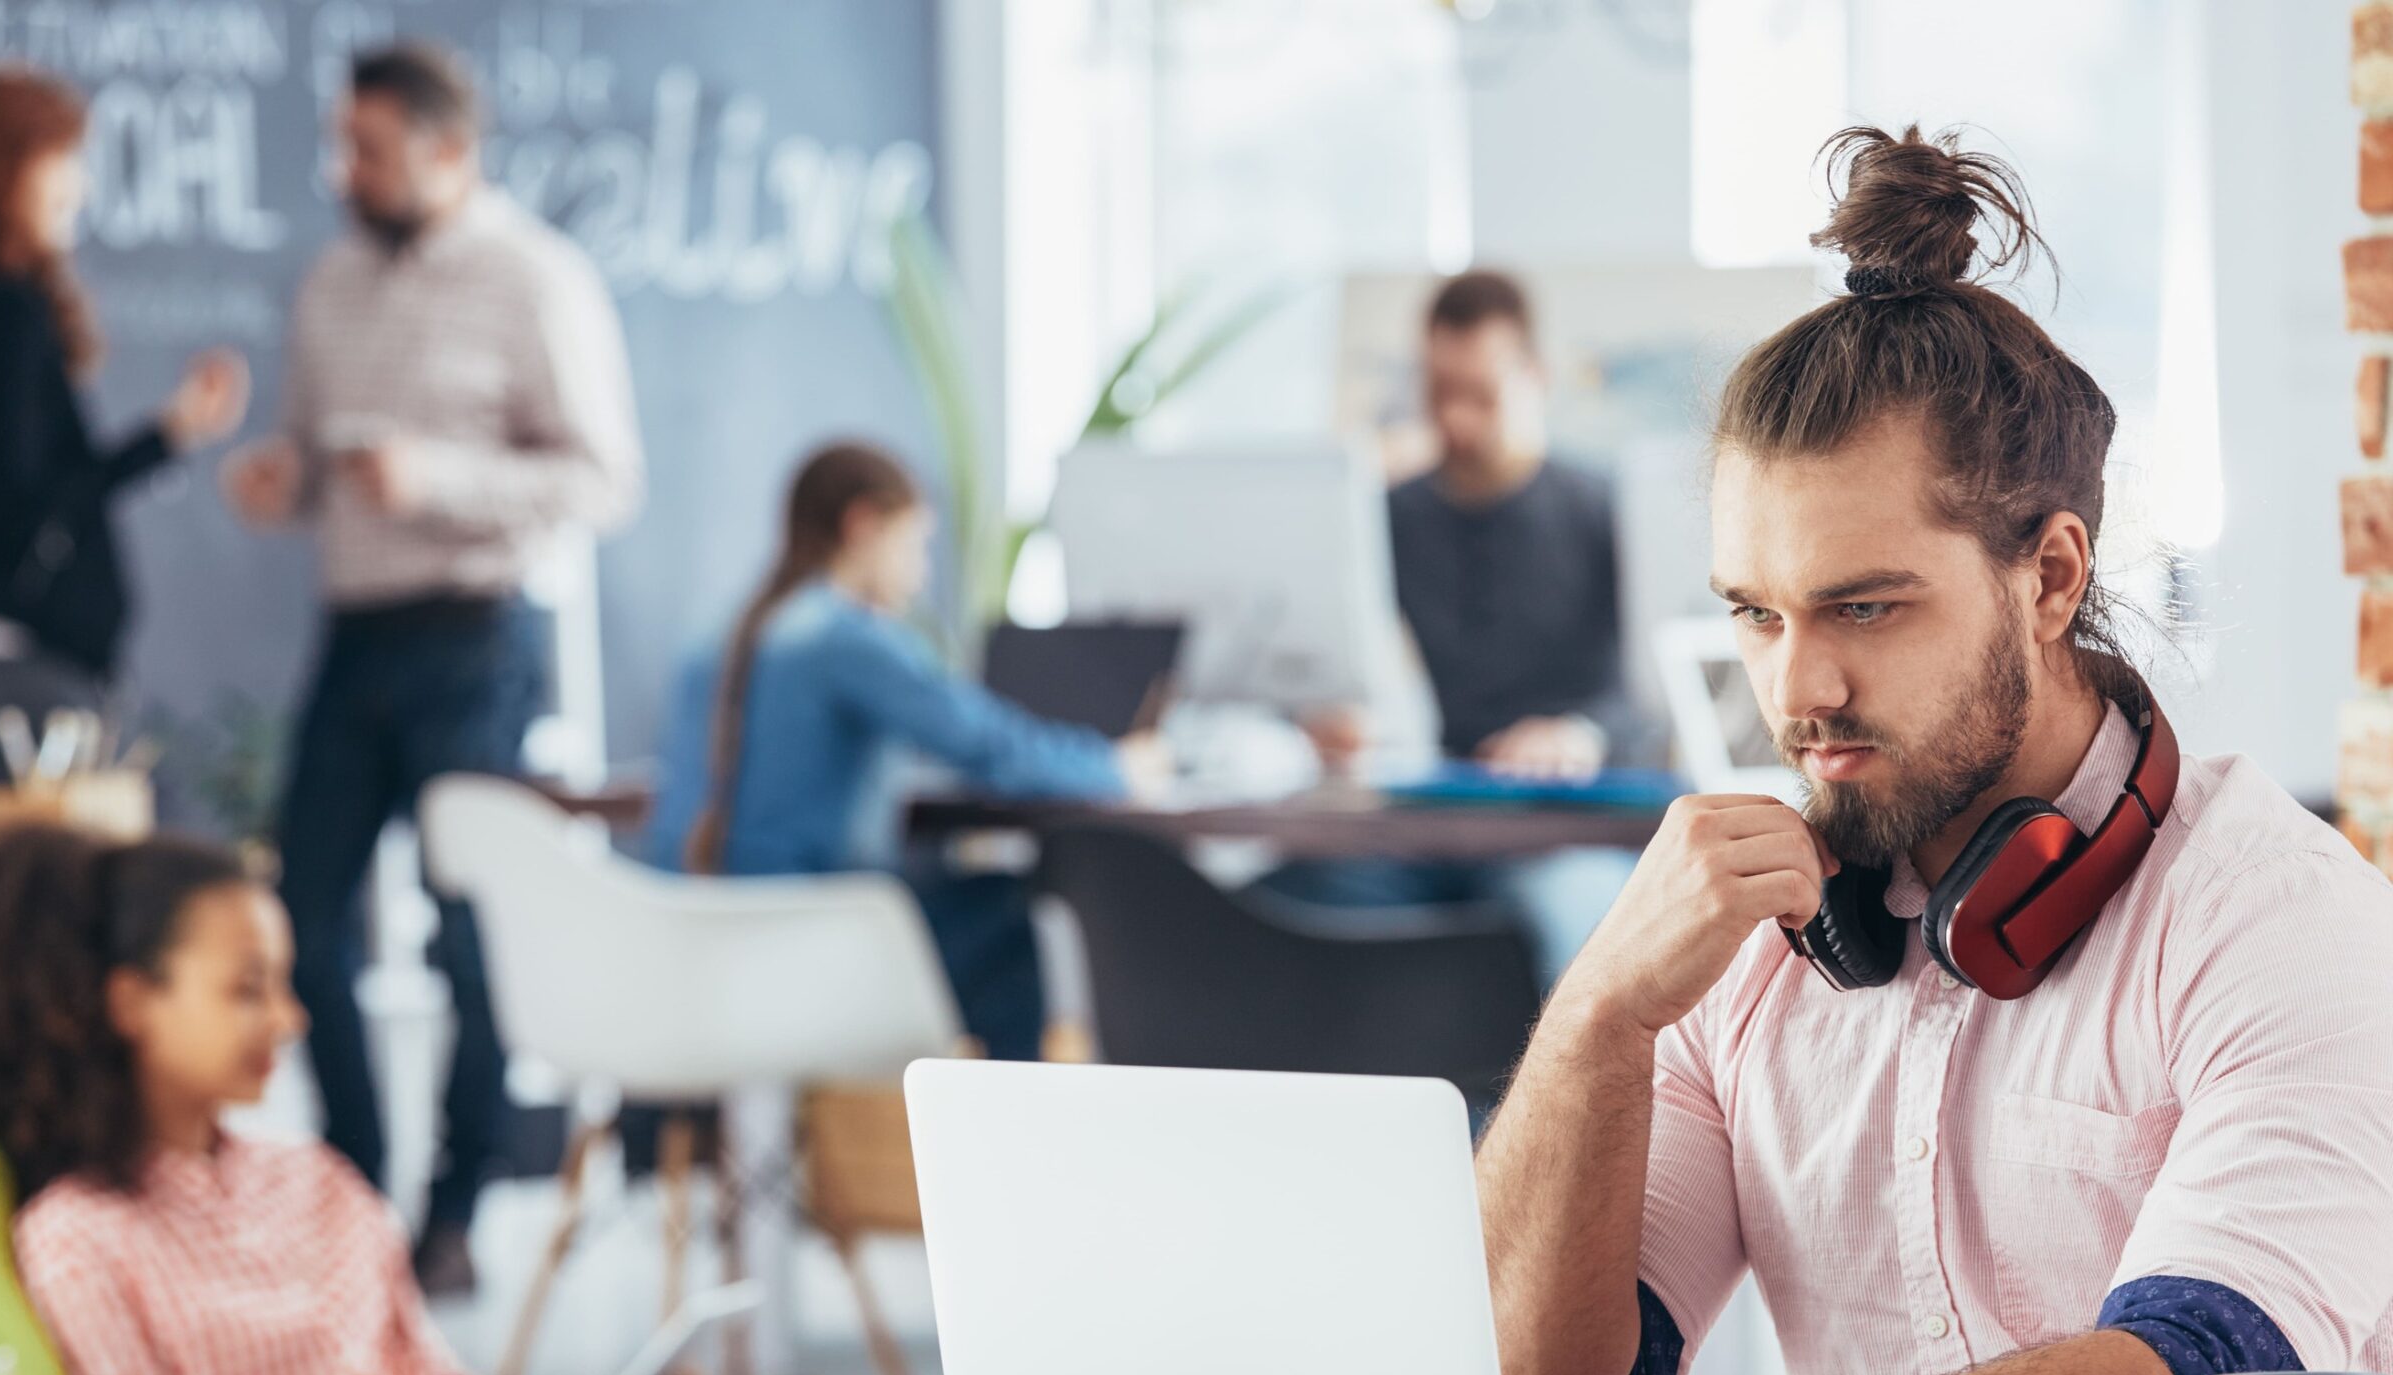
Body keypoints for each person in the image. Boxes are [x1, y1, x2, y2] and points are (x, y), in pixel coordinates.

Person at [1481, 126, 2393, 1375]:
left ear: (2051, 576)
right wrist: (1600, 1016)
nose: (1796, 691)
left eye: (1864, 606)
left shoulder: (2282, 919)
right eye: (1756, 613)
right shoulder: (1745, 941)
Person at [221, 41, 643, 1294]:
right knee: (299, 913)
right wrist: (280, 479)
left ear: (448, 150)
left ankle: (453, 1212)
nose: (346, 168)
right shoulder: (330, 282)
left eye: (370, 147)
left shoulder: (537, 280)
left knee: (469, 936)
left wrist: (440, 479)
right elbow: (304, 447)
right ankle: (356, 1194)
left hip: (479, 633)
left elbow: (604, 479)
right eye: (343, 144)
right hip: (356, 632)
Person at [0, 829, 638, 1375]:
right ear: (131, 1001)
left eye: (285, 985)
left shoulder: (317, 1180)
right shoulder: (81, 1241)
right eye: (247, 990)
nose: (288, 1019)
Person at [646, 442, 1165, 1062]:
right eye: (915, 545)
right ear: (863, 525)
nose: (920, 575)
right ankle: (1008, 1147)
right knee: (1005, 913)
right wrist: (1116, 767)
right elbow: (991, 748)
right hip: (811, 946)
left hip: (694, 949)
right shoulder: (846, 640)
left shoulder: (716, 636)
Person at [0, 66, 248, 817]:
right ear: (1, 167)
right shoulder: (1, 312)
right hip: (23, 674)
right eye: (63, 159)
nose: (78, 186)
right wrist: (165, 437)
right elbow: (23, 502)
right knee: (76, 917)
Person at [1266, 269, 1639, 988]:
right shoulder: (1390, 515)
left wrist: (1577, 734)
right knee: (1285, 906)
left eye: (1480, 396)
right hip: (1434, 821)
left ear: (1535, 378)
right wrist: (1327, 718)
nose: (1456, 421)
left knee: (1584, 928)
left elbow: (1645, 696)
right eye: (1439, 395)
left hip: (1566, 825)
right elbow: (1330, 655)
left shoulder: (1602, 510)